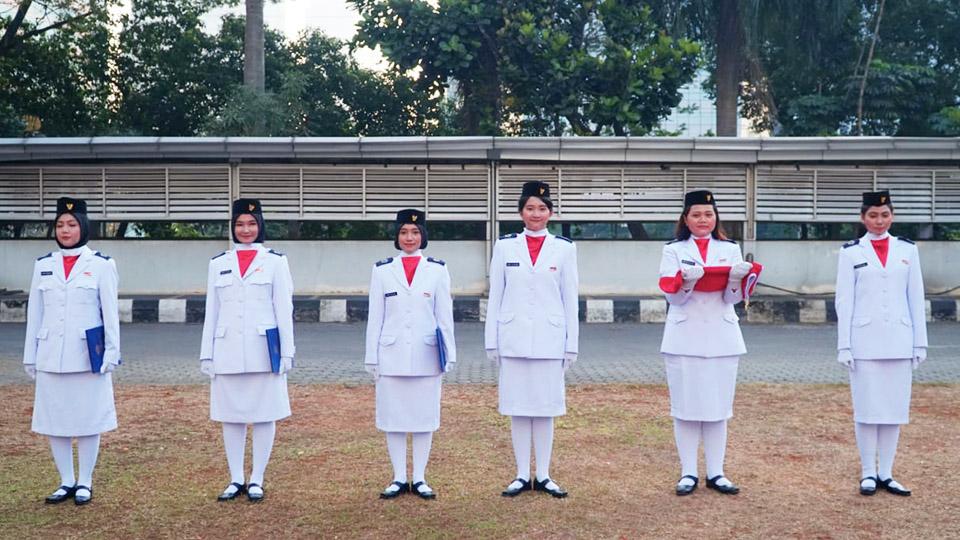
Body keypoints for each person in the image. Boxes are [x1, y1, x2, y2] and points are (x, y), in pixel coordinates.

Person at [658, 189, 760, 497]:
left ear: (716, 218)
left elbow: (733, 298)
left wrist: (734, 280)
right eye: (696, 214)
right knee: (685, 408)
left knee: (719, 408)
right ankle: (688, 472)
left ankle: (716, 472)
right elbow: (671, 296)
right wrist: (687, 281)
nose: (703, 220)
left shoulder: (729, 248)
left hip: (721, 335)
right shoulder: (673, 250)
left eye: (708, 214)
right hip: (684, 335)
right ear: (686, 219)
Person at [23, 197, 120, 506]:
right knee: (56, 419)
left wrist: (112, 352)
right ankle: (66, 480)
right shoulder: (43, 265)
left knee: (89, 418)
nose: (65, 230)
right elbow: (34, 314)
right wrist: (30, 355)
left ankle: (85, 481)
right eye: (60, 225)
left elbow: (110, 313)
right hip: (52, 354)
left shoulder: (102, 264)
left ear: (83, 227)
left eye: (72, 224)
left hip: (87, 356)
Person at [484, 181, 578, 499]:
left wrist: (571, 344)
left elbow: (570, 298)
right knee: (519, 407)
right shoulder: (505, 246)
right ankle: (522, 474)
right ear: (521, 211)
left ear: (550, 212)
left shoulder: (564, 248)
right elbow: (496, 294)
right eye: (530, 208)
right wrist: (491, 341)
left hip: (551, 339)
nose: (535, 213)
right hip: (513, 338)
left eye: (541, 208)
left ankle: (544, 474)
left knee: (546, 408)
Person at [199, 198, 295, 503]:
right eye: (240, 224)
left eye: (252, 224)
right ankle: (236, 477)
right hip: (227, 349)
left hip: (263, 350)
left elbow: (284, 309)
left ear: (261, 226)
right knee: (232, 416)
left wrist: (288, 352)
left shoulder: (276, 262)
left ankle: (257, 479)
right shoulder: (219, 263)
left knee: (265, 415)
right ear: (233, 227)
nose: (246, 229)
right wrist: (206, 353)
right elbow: (211, 312)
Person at [835, 190, 927, 497]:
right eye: (873, 215)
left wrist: (920, 343)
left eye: (884, 215)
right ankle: (867, 473)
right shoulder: (851, 252)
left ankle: (886, 472)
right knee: (867, 409)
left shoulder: (907, 250)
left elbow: (915, 296)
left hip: (900, 339)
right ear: (863, 218)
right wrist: (844, 345)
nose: (879, 220)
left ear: (892, 216)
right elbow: (843, 301)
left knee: (893, 410)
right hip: (864, 341)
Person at [364, 209, 456, 500]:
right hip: (390, 354)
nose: (409, 237)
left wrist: (449, 354)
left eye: (415, 232)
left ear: (423, 236)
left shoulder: (437, 269)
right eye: (404, 232)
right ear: (396, 236)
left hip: (426, 354)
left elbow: (445, 317)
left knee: (424, 417)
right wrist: (371, 357)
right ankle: (398, 477)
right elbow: (374, 318)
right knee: (393, 418)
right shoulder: (382, 270)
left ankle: (419, 477)